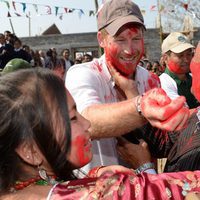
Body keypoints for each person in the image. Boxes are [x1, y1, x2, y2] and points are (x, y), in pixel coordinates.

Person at [0, 68, 200, 200]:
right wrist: (142, 170)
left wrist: (91, 177)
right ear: (30, 150)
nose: (87, 123)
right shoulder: (103, 193)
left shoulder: (21, 188)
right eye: (72, 118)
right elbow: (175, 189)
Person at [65, 0, 189, 174]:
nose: (129, 50)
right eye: (120, 39)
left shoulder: (151, 80)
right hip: (96, 189)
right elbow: (87, 121)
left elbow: (161, 144)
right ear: (101, 39)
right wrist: (141, 106)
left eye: (136, 38)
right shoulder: (83, 74)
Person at [115, 42, 200, 173]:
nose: (188, 60)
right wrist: (133, 97)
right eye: (181, 55)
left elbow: (180, 191)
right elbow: (166, 142)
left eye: (191, 56)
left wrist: (144, 167)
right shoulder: (196, 115)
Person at [159, 32, 199, 109]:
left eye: (189, 54)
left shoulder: (192, 77)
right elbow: (183, 113)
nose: (186, 60)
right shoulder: (163, 83)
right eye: (180, 55)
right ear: (165, 58)